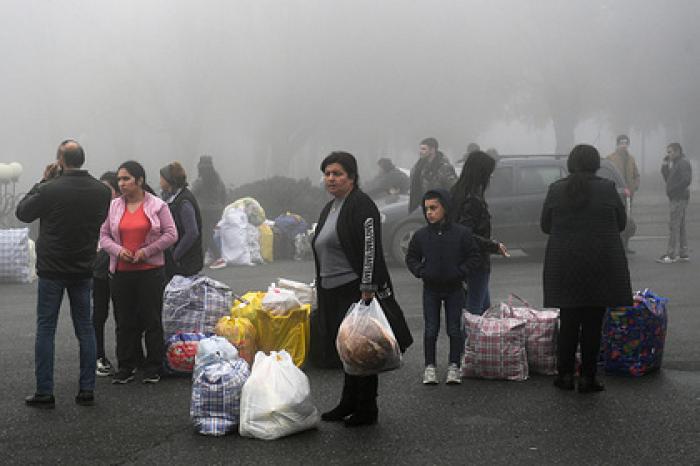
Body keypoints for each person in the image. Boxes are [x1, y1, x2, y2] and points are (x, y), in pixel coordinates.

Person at [311, 151, 412, 427]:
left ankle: (367, 408)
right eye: (327, 173)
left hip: (353, 288)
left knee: (362, 348)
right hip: (330, 287)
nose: (331, 178)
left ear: (352, 177)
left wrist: (367, 286)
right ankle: (348, 402)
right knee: (346, 348)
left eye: (337, 174)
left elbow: (371, 247)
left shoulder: (361, 205)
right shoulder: (331, 206)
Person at [15, 140, 111, 408]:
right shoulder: (101, 191)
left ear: (60, 159)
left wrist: (42, 181)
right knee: (85, 328)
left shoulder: (50, 189)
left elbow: (22, 212)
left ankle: (45, 391)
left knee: (46, 328)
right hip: (83, 267)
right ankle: (86, 389)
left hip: (52, 269)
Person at [541, 144, 632, 393]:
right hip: (600, 263)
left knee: (569, 320)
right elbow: (621, 223)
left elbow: (545, 225)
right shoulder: (607, 188)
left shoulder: (557, 189)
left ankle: (565, 375)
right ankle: (588, 378)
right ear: (595, 163)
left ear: (571, 163)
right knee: (593, 322)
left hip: (565, 263)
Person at [99, 161, 178, 384]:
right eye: (119, 179)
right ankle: (126, 366)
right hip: (121, 272)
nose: (121, 183)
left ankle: (153, 366)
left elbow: (171, 234)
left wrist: (147, 251)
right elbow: (103, 236)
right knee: (124, 321)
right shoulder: (113, 206)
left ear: (140, 180)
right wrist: (118, 250)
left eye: (126, 179)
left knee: (151, 319)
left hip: (150, 271)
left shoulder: (157, 205)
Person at [405, 189, 480, 385]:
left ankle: (454, 366)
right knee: (430, 329)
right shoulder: (421, 235)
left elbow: (474, 257)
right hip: (430, 289)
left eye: (434, 208)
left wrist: (460, 271)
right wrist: (421, 271)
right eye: (426, 208)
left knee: (454, 329)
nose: (429, 212)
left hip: (455, 289)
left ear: (445, 208)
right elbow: (411, 257)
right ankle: (430, 368)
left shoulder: (461, 233)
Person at [450, 151, 510, 315]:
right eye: (489, 173)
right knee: (475, 310)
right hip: (476, 260)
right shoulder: (473, 199)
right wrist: (494, 246)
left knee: (484, 309)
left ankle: (479, 339)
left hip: (461, 258)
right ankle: (471, 340)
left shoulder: (456, 193)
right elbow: (466, 234)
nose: (490, 178)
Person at [93, 171, 121, 377]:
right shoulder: (95, 209)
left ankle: (129, 357)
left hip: (122, 268)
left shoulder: (125, 209)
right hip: (100, 269)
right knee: (99, 313)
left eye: (107, 189)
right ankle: (98, 355)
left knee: (125, 314)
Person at [159, 162, 204, 279]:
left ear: (169, 180)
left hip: (186, 261)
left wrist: (175, 255)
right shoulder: (171, 198)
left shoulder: (184, 201)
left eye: (162, 177)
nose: (160, 181)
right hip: (180, 260)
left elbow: (192, 233)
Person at [657, 142, 692, 263]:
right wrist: (664, 167)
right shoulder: (677, 163)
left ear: (677, 151)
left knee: (674, 226)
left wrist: (673, 191)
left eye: (670, 152)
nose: (668, 154)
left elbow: (686, 180)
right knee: (680, 226)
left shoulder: (682, 163)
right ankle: (683, 253)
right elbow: (669, 179)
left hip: (679, 198)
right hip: (677, 198)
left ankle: (671, 254)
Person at [607, 134, 640, 253]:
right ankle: (617, 245)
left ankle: (626, 245)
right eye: (621, 143)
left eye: (626, 143)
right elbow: (607, 175)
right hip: (616, 194)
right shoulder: (610, 158)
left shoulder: (631, 159)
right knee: (616, 220)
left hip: (629, 196)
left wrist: (635, 186)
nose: (623, 145)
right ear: (617, 144)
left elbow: (636, 175)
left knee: (628, 220)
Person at [191, 155, 227, 263]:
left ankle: (217, 257)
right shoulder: (217, 179)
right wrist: (220, 206)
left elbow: (192, 194)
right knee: (207, 234)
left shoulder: (200, 181)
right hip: (217, 211)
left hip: (204, 212)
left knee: (206, 236)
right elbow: (224, 194)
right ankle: (203, 258)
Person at [408, 137, 458, 212]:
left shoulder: (444, 168)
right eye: (420, 149)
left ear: (432, 150)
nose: (420, 152)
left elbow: (454, 189)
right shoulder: (418, 167)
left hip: (439, 209)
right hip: (421, 207)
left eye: (424, 149)